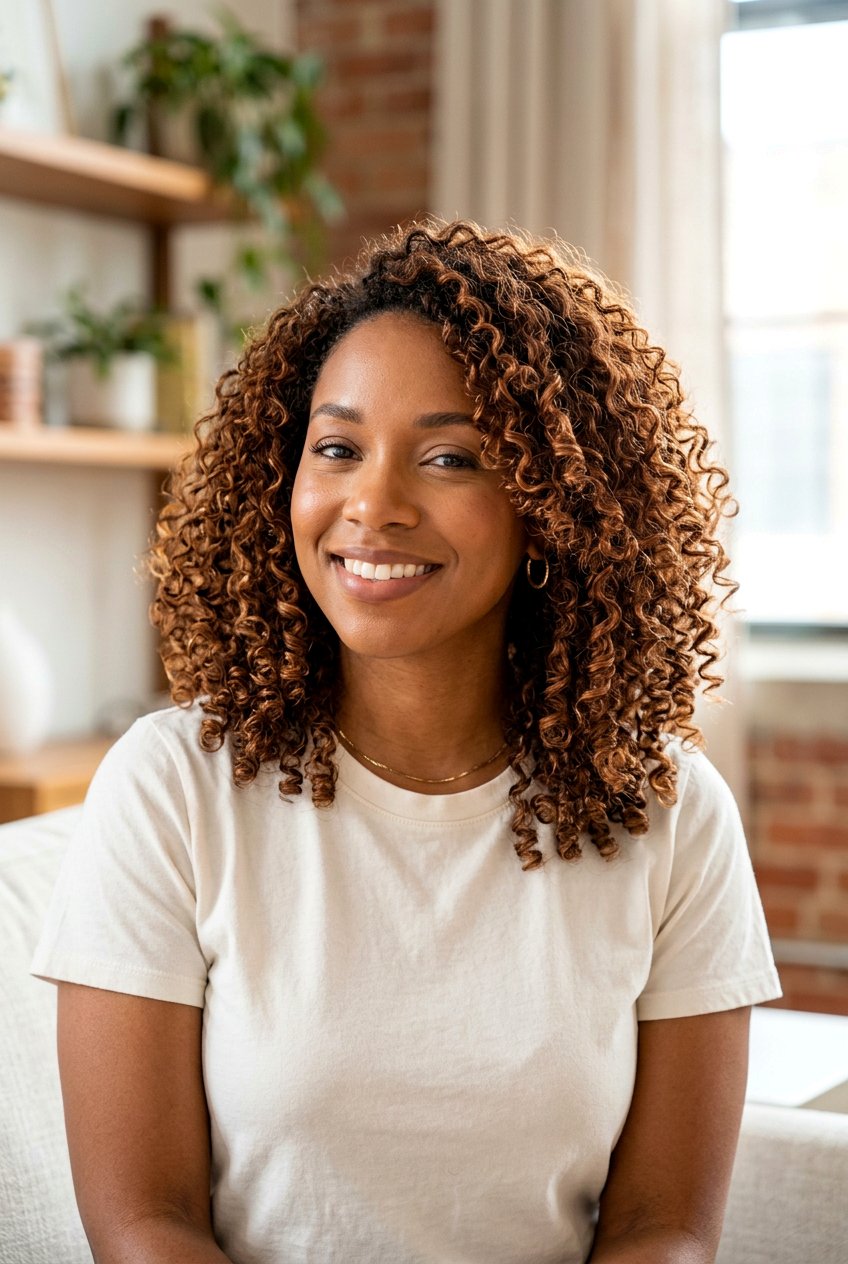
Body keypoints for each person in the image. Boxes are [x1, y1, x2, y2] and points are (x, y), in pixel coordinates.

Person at [32, 219, 781, 1264]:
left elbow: (666, 1229)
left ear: (551, 505)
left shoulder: (668, 811)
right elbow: (143, 1225)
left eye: (449, 458)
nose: (372, 505)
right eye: (336, 448)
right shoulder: (172, 789)